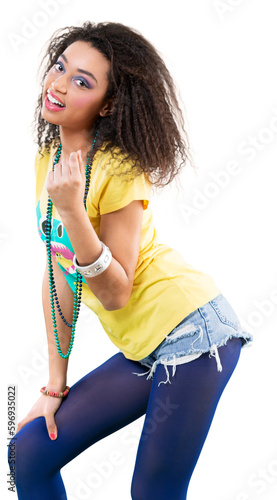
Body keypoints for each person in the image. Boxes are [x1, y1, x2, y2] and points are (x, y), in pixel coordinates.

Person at [8, 21, 252, 500]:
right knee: (28, 452)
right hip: (145, 346)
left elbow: (116, 292)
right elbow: (58, 270)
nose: (58, 84)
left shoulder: (121, 169)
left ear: (110, 104)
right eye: (60, 68)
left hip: (195, 335)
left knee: (153, 492)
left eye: (82, 81)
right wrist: (55, 385)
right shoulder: (49, 158)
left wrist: (75, 210)